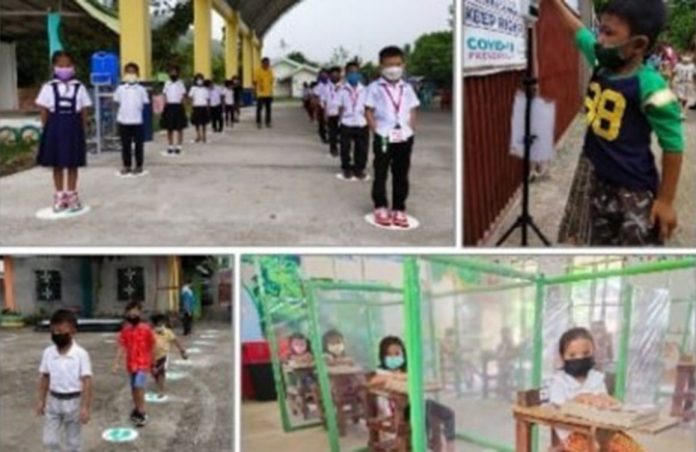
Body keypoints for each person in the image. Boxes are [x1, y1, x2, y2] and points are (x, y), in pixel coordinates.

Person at [548, 0, 684, 246]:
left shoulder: (652, 86)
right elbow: (578, 31)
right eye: (601, 29)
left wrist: (665, 201)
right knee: (598, 246)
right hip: (595, 174)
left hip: (632, 189)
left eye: (609, 33)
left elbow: (673, 144)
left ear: (638, 44)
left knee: (636, 254)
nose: (599, 39)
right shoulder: (603, 61)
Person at [549, 327, 643, 451]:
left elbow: (603, 399)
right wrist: (579, 399)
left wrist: (611, 403)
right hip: (574, 435)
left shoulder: (596, 378)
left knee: (632, 448)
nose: (579, 358)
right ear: (562, 357)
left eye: (585, 353)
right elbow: (558, 408)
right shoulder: (559, 382)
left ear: (593, 353)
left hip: (602, 432)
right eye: (572, 355)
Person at [369, 336, 456, 452]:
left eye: (397, 354)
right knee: (424, 415)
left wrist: (406, 375)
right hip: (400, 409)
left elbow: (420, 382)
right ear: (383, 356)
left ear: (403, 354)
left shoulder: (407, 369)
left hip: (418, 402)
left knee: (448, 413)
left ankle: (450, 448)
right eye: (389, 355)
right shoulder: (382, 372)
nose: (394, 358)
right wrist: (395, 376)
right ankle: (424, 445)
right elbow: (373, 381)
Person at [365, 46, 420, 228]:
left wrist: (410, 129)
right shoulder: (374, 88)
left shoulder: (408, 88)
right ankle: (380, 206)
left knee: (401, 173)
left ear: (403, 64)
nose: (394, 68)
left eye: (397, 64)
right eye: (389, 65)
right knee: (380, 172)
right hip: (383, 135)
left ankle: (399, 208)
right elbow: (369, 111)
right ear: (381, 66)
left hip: (404, 136)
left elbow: (412, 109)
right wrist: (376, 130)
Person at [35, 50, 92, 213]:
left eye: (68, 65)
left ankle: (72, 194)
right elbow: (43, 109)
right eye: (60, 65)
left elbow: (83, 110)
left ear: (73, 67)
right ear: (54, 67)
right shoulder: (48, 87)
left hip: (74, 127)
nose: (64, 68)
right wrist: (47, 128)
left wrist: (83, 127)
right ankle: (60, 195)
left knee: (73, 163)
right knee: (57, 164)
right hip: (55, 127)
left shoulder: (79, 87)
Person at [37, 309, 93, 452]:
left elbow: (87, 381)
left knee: (73, 442)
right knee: (49, 440)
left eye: (61, 331)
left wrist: (85, 407)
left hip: (73, 402)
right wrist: (41, 400)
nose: (57, 335)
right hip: (54, 401)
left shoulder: (81, 354)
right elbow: (45, 377)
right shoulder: (48, 353)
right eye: (54, 331)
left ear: (73, 331)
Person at [112, 302, 155, 427]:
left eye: (135, 311)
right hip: (131, 365)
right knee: (134, 388)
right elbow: (121, 347)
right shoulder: (125, 330)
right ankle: (137, 408)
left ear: (140, 313)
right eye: (130, 312)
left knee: (138, 385)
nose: (132, 314)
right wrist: (116, 363)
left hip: (143, 364)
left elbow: (152, 345)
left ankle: (142, 411)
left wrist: (153, 361)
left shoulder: (146, 329)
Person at [113, 62, 150, 175]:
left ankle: (139, 165)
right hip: (123, 121)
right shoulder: (120, 89)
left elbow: (145, 103)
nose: (131, 74)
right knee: (125, 145)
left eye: (133, 72)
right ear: (125, 74)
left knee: (139, 145)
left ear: (137, 74)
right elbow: (117, 102)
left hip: (137, 121)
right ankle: (127, 165)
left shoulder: (141, 89)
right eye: (128, 72)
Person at [338, 61, 369, 180]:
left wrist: (369, 121)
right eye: (351, 72)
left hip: (362, 122)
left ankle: (359, 169)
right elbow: (340, 107)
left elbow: (368, 107)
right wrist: (339, 122)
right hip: (346, 122)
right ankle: (347, 168)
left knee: (361, 148)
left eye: (356, 72)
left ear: (360, 74)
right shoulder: (341, 90)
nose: (354, 75)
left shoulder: (365, 90)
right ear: (346, 74)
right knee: (345, 148)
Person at [150, 313, 188, 398]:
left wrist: (182, 351)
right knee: (154, 373)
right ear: (153, 324)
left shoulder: (168, 332)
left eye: (161, 323)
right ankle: (158, 381)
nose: (159, 325)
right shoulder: (150, 333)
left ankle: (161, 389)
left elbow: (176, 341)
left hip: (164, 355)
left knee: (161, 372)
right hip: (152, 357)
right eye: (157, 324)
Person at [160, 65, 188, 154]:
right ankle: (170, 145)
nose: (173, 73)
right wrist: (165, 105)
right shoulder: (167, 83)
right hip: (169, 106)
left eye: (175, 72)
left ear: (178, 73)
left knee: (180, 128)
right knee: (169, 128)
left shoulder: (181, 83)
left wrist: (183, 106)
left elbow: (183, 95)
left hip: (178, 106)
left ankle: (179, 146)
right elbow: (164, 94)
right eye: (171, 72)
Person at [324, 66, 343, 156]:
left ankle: (344, 148)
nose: (335, 76)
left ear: (340, 75)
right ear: (329, 76)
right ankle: (333, 149)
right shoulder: (326, 87)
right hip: (331, 113)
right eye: (333, 75)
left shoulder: (344, 87)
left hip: (342, 114)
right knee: (332, 133)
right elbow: (324, 102)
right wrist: (325, 114)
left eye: (337, 74)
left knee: (343, 133)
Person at [253, 57, 275, 128]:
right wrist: (256, 89)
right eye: (266, 63)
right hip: (260, 94)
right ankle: (258, 123)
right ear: (262, 63)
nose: (267, 64)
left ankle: (268, 122)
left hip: (268, 93)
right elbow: (255, 82)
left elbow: (271, 81)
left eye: (268, 63)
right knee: (259, 109)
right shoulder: (257, 71)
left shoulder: (270, 71)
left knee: (268, 109)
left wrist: (271, 92)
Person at [189, 73, 210, 143]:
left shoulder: (205, 89)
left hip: (203, 107)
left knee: (204, 123)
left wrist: (208, 108)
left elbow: (207, 99)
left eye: (201, 79)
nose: (199, 80)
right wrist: (191, 107)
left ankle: (204, 136)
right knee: (196, 123)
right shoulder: (193, 88)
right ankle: (198, 136)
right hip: (196, 107)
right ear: (196, 80)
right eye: (198, 79)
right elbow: (191, 98)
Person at [673, 54, 695, 118]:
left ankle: (683, 113)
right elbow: (673, 73)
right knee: (682, 98)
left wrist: (694, 84)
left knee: (685, 99)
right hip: (683, 83)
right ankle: (681, 112)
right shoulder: (679, 65)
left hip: (686, 83)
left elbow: (694, 75)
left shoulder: (691, 66)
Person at [313, 69, 330, 143]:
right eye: (322, 75)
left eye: (325, 74)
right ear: (319, 76)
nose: (324, 76)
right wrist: (316, 109)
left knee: (331, 124)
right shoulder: (318, 86)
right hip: (322, 107)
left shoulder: (331, 84)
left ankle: (332, 136)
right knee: (322, 123)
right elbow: (316, 98)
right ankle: (323, 137)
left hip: (331, 106)